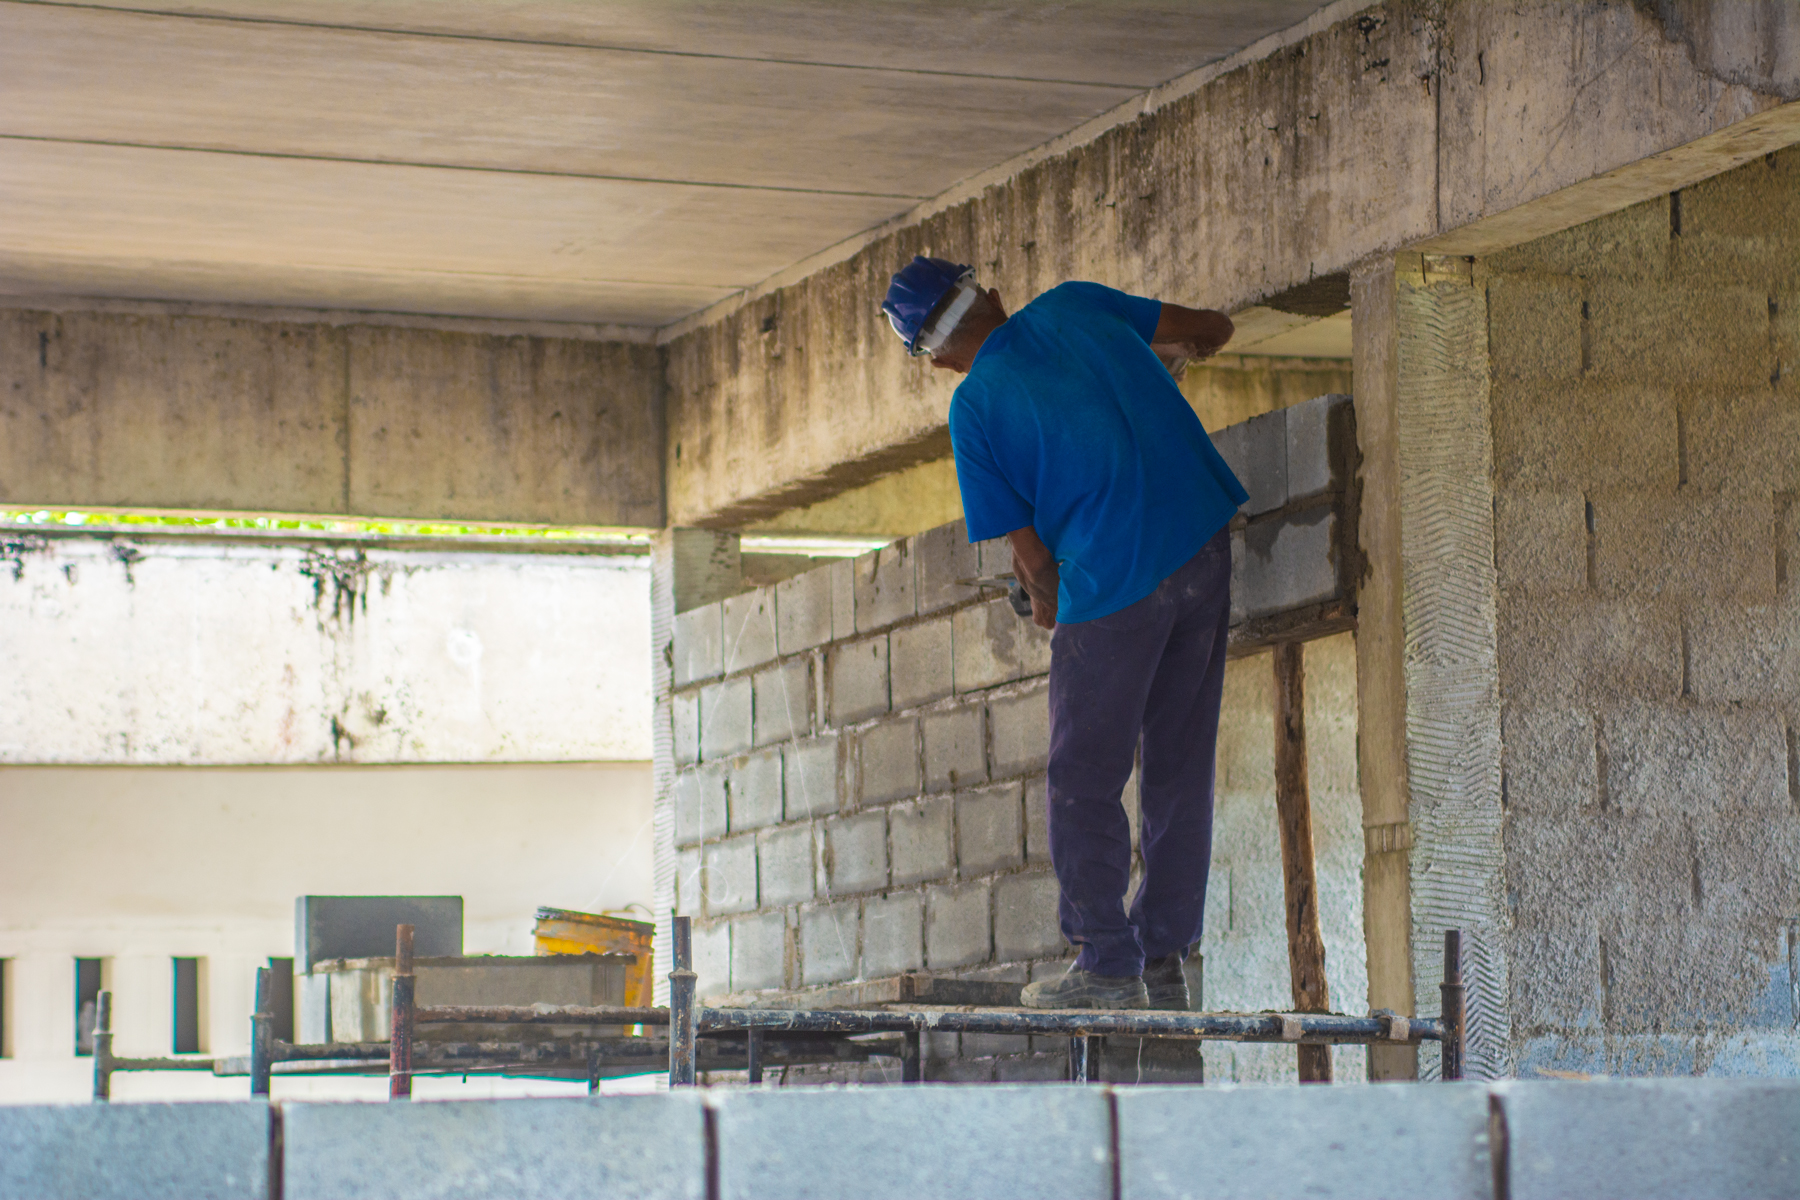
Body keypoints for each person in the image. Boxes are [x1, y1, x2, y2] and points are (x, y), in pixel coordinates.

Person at [881, 257, 1246, 1010]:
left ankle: (1109, 966)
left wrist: (1049, 601)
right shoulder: (1078, 305)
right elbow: (1212, 328)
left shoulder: (974, 408)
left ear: (936, 358)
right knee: (1179, 760)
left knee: (1083, 777)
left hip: (1115, 580)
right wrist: (1165, 360)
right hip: (1203, 543)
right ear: (993, 295)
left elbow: (1035, 565)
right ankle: (1166, 955)